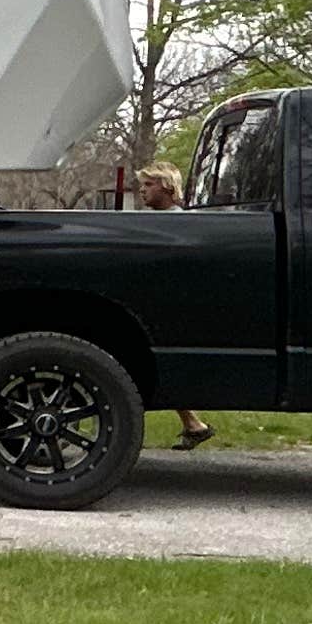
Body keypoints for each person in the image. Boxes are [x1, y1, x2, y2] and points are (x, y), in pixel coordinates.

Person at [127, 162, 212, 447]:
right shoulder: (163, 221)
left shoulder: (176, 223)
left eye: (149, 184)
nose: (142, 189)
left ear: (167, 186)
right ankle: (193, 425)